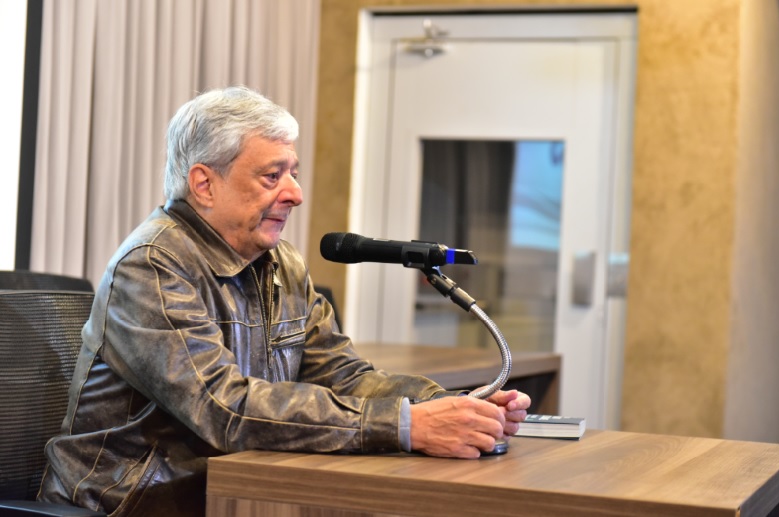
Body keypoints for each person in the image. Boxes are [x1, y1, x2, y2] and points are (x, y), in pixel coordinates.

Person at [38, 86, 531, 517]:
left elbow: (345, 377)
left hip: (238, 490)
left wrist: (451, 406)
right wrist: (404, 425)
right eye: (272, 177)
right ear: (205, 185)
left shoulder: (282, 262)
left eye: (293, 173)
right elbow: (224, 408)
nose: (295, 194)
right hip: (133, 504)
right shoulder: (153, 264)